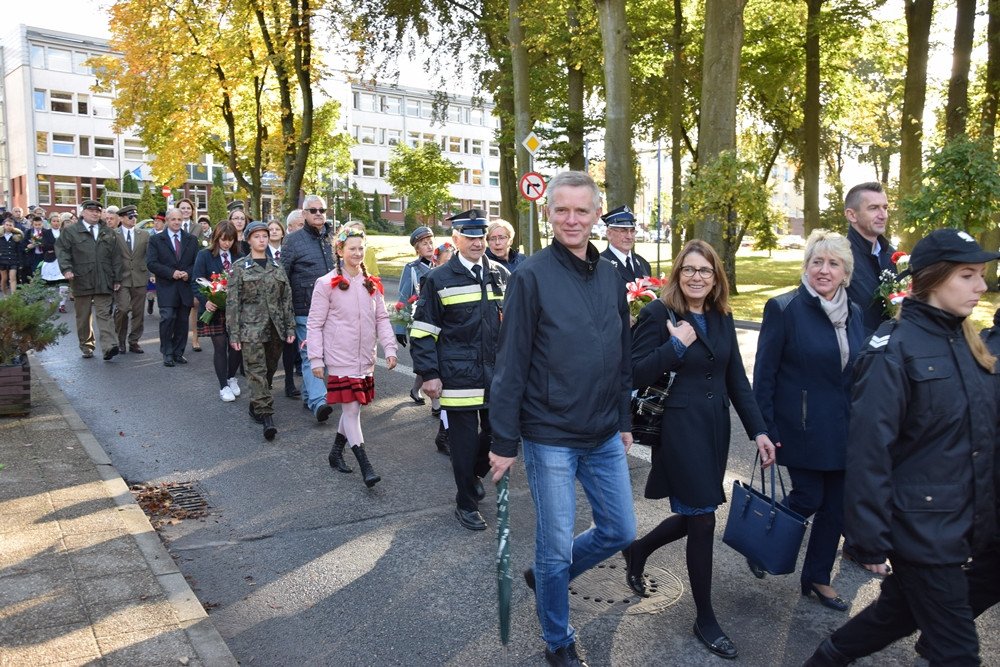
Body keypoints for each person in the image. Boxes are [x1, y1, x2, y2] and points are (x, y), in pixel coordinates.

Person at [803, 228, 1000, 667]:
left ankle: (825, 659)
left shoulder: (969, 344)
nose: (982, 286)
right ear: (934, 278)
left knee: (893, 616)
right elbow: (869, 452)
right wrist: (868, 539)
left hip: (959, 521)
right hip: (921, 530)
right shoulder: (893, 349)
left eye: (981, 274)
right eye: (968, 275)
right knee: (958, 653)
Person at [488, 172, 635, 667]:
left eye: (581, 210)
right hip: (550, 434)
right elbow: (510, 365)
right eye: (562, 210)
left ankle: (548, 578)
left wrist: (623, 417)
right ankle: (558, 640)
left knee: (620, 531)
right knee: (555, 548)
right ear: (547, 213)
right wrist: (503, 441)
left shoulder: (612, 276)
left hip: (603, 433)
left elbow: (622, 355)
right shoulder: (530, 276)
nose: (572, 220)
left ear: (597, 215)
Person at [624, 239, 776, 660]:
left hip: (714, 430)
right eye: (689, 269)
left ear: (716, 278)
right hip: (678, 430)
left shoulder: (721, 316)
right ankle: (705, 618)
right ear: (678, 273)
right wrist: (675, 346)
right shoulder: (659, 313)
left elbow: (736, 380)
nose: (696, 277)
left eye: (705, 270)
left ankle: (638, 549)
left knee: (697, 512)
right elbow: (632, 373)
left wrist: (759, 431)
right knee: (704, 518)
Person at [752, 230, 864, 611]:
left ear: (846, 272)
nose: (824, 270)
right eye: (817, 262)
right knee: (809, 496)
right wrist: (764, 428)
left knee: (836, 507)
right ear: (806, 266)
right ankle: (761, 541)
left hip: (843, 430)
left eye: (833, 263)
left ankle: (817, 577)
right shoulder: (784, 309)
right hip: (800, 429)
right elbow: (764, 375)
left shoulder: (854, 312)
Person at [411, 209, 509, 531]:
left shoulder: (500, 274)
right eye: (470, 237)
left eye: (481, 237)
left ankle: (473, 475)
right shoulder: (438, 279)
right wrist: (429, 373)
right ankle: (465, 503)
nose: (478, 243)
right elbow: (423, 331)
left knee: (499, 434)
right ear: (455, 239)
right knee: (463, 445)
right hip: (457, 377)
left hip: (495, 375)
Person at [307, 227, 397, 486]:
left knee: (352, 408)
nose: (357, 253)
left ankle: (335, 453)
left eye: (361, 248)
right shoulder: (326, 284)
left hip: (365, 358)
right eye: (352, 249)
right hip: (340, 358)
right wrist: (316, 359)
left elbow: (382, 318)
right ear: (340, 251)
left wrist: (390, 349)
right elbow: (314, 324)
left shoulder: (372, 284)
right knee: (352, 410)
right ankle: (366, 466)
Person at [226, 221, 296, 440]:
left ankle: (255, 403)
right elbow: (233, 303)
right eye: (256, 236)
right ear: (248, 240)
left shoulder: (277, 266)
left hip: (275, 330)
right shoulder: (240, 267)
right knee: (256, 371)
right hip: (250, 330)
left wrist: (290, 327)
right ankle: (267, 417)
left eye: (264, 236)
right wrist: (234, 333)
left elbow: (286, 300)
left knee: (269, 370)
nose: (262, 240)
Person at [281, 195, 336, 421]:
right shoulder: (292, 241)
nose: (318, 214)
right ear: (304, 214)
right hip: (305, 308)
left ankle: (308, 395)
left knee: (326, 354)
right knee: (310, 354)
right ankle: (319, 401)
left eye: (322, 210)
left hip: (332, 309)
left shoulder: (334, 238)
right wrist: (286, 312)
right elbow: (283, 277)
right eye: (313, 210)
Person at [55, 200, 123, 360]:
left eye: (98, 211)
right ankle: (87, 346)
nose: (95, 213)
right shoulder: (71, 231)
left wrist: (117, 278)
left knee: (104, 314)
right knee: (83, 316)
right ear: (83, 212)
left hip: (103, 278)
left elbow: (116, 257)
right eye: (91, 210)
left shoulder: (108, 232)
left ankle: (109, 347)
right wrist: (67, 269)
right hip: (81, 278)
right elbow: (62, 251)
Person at [193, 221, 243, 402]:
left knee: (236, 347)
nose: (226, 243)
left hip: (235, 309)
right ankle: (223, 386)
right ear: (216, 238)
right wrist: (206, 301)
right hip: (214, 309)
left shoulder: (239, 256)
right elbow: (196, 281)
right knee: (220, 347)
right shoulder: (204, 255)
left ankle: (231, 377)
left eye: (230, 240)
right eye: (223, 239)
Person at [396, 226, 442, 421]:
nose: (429, 246)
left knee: (432, 361)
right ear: (417, 248)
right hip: (420, 322)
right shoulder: (412, 269)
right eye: (424, 243)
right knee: (428, 359)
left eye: (431, 242)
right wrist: (399, 328)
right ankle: (436, 403)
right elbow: (403, 297)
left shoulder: (442, 264)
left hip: (440, 321)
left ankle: (415, 390)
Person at [146, 208, 199, 367]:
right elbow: (152, 263)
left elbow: (197, 262)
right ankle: (167, 352)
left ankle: (178, 352)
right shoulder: (156, 240)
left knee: (182, 321)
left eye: (179, 219)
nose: (176, 222)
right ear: (167, 221)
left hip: (184, 286)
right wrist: (171, 273)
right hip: (167, 286)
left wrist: (188, 273)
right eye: (173, 219)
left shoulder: (191, 240)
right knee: (168, 318)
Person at [844, 182, 896, 335]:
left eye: (885, 208)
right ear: (852, 215)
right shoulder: (838, 258)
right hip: (856, 347)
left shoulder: (893, 256)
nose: (883, 215)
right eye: (874, 208)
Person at [114, 206, 150, 354]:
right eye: (130, 217)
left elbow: (149, 255)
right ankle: (120, 339)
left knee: (138, 312)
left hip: (140, 277)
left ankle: (134, 341)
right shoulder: (114, 234)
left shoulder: (144, 234)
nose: (134, 219)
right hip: (121, 278)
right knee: (122, 309)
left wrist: (151, 274)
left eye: (135, 216)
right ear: (121, 218)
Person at [600, 205, 651, 283]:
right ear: (609, 234)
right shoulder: (599, 265)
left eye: (632, 231)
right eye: (623, 231)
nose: (629, 237)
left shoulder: (643, 264)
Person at [39, 214, 69, 311]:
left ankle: (62, 305)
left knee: (64, 284)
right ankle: (51, 303)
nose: (56, 223)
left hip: (62, 261)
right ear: (50, 222)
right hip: (50, 261)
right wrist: (58, 247)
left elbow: (67, 246)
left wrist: (54, 248)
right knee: (50, 284)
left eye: (58, 221)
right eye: (54, 221)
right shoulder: (46, 233)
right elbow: (45, 246)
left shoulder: (64, 232)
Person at [0, 218, 22, 296]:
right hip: (2, 260)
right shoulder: (1, 236)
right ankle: (5, 294)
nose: (8, 227)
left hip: (13, 260)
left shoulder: (16, 237)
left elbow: (18, 251)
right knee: (4, 278)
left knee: (13, 278)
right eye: (7, 225)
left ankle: (13, 296)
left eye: (10, 225)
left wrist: (20, 262)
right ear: (4, 225)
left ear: (13, 226)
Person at [20, 216, 46, 280]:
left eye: (39, 224)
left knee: (43, 271)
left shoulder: (46, 232)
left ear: (42, 224)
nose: (37, 226)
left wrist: (43, 244)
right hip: (34, 256)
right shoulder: (29, 232)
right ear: (32, 224)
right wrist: (28, 245)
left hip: (43, 255)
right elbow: (23, 243)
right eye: (36, 225)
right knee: (34, 271)